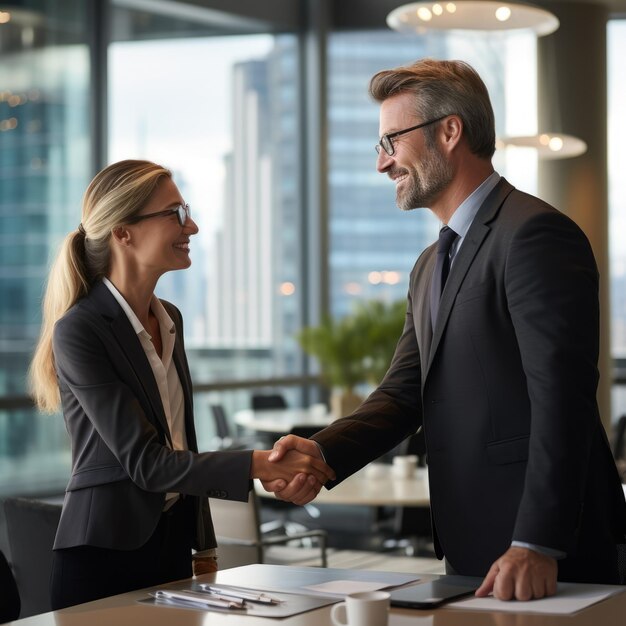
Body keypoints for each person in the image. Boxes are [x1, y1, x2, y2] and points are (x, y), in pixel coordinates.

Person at [266, 59, 626, 601]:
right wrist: (323, 454)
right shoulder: (429, 265)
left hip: (549, 551)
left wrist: (537, 541)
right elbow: (403, 393)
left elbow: (562, 400)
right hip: (470, 544)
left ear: (450, 131)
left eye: (391, 139)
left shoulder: (534, 235)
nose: (383, 163)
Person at [28, 159, 334, 609]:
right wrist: (258, 463)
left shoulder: (170, 318)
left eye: (185, 210)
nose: (190, 224)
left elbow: (181, 440)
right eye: (173, 213)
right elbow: (148, 464)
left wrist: (204, 546)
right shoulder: (80, 329)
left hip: (170, 544)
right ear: (123, 232)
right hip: (103, 554)